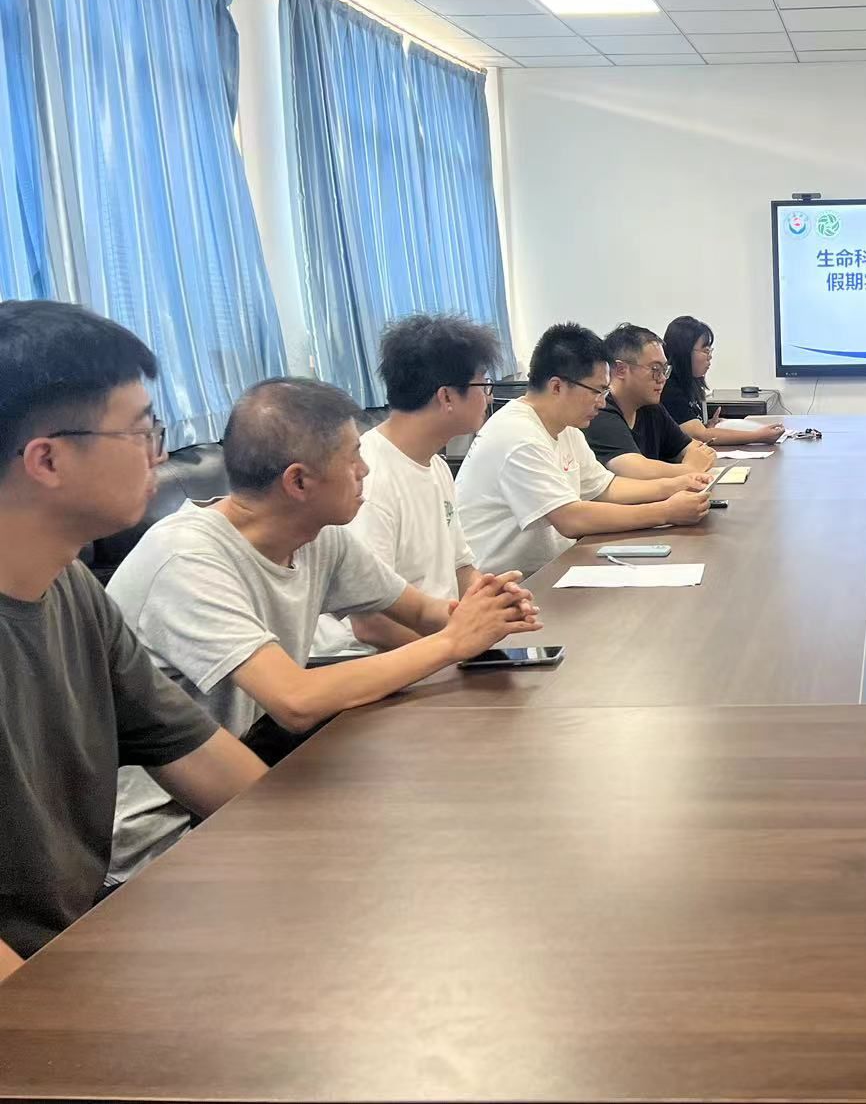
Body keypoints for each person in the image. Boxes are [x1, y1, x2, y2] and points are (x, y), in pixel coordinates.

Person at [105, 378, 540, 884]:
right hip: (165, 835)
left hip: (255, 772)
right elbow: (295, 699)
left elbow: (422, 611)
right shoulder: (186, 559)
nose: (365, 470)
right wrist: (451, 642)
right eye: (352, 457)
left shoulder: (315, 537)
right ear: (299, 482)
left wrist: (487, 610)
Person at [0, 302, 266, 976]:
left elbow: (200, 758)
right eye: (143, 430)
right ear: (47, 459)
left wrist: (328, 862)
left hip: (80, 945)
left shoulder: (71, 586)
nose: (160, 453)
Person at [314, 314, 504, 656]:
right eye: (483, 385)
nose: (488, 398)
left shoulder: (436, 465)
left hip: (436, 644)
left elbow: (462, 569)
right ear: (447, 397)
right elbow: (371, 624)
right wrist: (455, 653)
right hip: (375, 662)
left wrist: (493, 603)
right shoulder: (367, 479)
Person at [456, 323, 712, 576]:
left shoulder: (566, 428)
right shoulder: (518, 435)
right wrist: (665, 512)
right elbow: (571, 519)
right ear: (557, 387)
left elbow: (605, 488)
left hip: (554, 568)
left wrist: (678, 484)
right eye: (597, 391)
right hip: (510, 584)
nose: (602, 402)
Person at [587, 323, 717, 478]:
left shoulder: (651, 408)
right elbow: (634, 470)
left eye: (664, 370)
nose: (662, 379)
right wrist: (690, 469)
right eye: (655, 369)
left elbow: (699, 450)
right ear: (621, 370)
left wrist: (693, 462)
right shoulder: (599, 411)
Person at [660, 316, 784, 447]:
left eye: (710, 350)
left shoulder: (691, 384)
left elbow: (694, 431)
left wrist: (707, 426)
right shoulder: (669, 388)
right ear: (684, 352)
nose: (710, 356)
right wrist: (759, 436)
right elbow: (699, 436)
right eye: (705, 350)